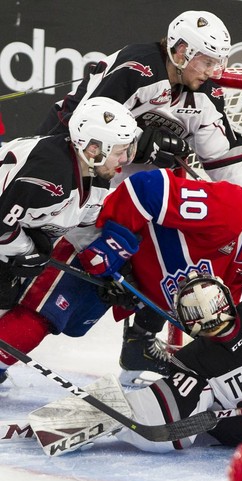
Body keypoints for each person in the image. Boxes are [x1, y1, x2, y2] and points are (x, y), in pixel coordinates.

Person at [36, 10, 242, 376]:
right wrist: (140, 143)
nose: (213, 71)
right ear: (181, 50)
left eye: (218, 62)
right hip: (76, 165)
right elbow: (88, 128)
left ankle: (139, 342)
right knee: (51, 265)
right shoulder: (136, 69)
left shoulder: (206, 94)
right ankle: (13, 336)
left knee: (179, 252)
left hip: (135, 189)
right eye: (206, 60)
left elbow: (224, 157)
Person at [0, 166, 242, 387]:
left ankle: (139, 345)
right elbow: (146, 188)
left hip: (132, 276)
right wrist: (116, 243)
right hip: (97, 243)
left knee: (71, 325)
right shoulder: (230, 208)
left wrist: (227, 352)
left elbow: (215, 309)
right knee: (40, 316)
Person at [27, 271, 242, 461]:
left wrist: (74, 418)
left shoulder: (194, 365)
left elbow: (154, 427)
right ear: (227, 300)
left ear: (188, 324)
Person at [0, 96, 138, 384]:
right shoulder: (49, 174)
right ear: (93, 148)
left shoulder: (93, 176)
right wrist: (26, 249)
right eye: (121, 151)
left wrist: (113, 273)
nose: (125, 161)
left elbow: (82, 228)